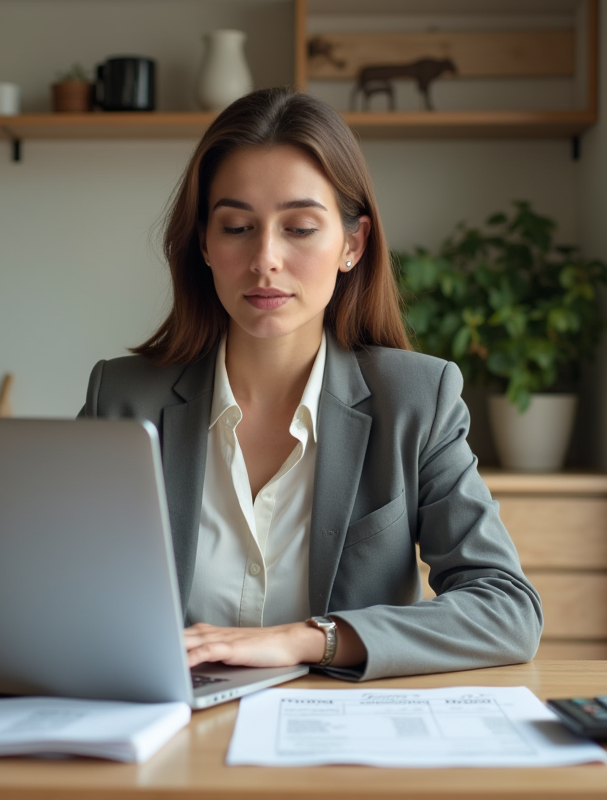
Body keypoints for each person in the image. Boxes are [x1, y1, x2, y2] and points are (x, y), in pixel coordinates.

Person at [80, 88, 542, 680]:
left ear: (352, 244)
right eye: (237, 226)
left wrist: (308, 640)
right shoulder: (121, 400)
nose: (265, 259)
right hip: (172, 722)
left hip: (341, 727)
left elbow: (506, 609)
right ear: (204, 243)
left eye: (299, 228)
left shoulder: (416, 401)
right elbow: (54, 588)